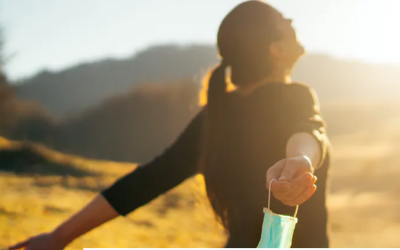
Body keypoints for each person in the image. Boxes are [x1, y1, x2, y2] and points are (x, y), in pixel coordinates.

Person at [9, 1, 331, 249]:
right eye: (284, 22)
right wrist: (301, 160)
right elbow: (307, 129)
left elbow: (146, 180)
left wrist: (58, 236)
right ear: (276, 49)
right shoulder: (294, 95)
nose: (291, 22)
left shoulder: (215, 117)